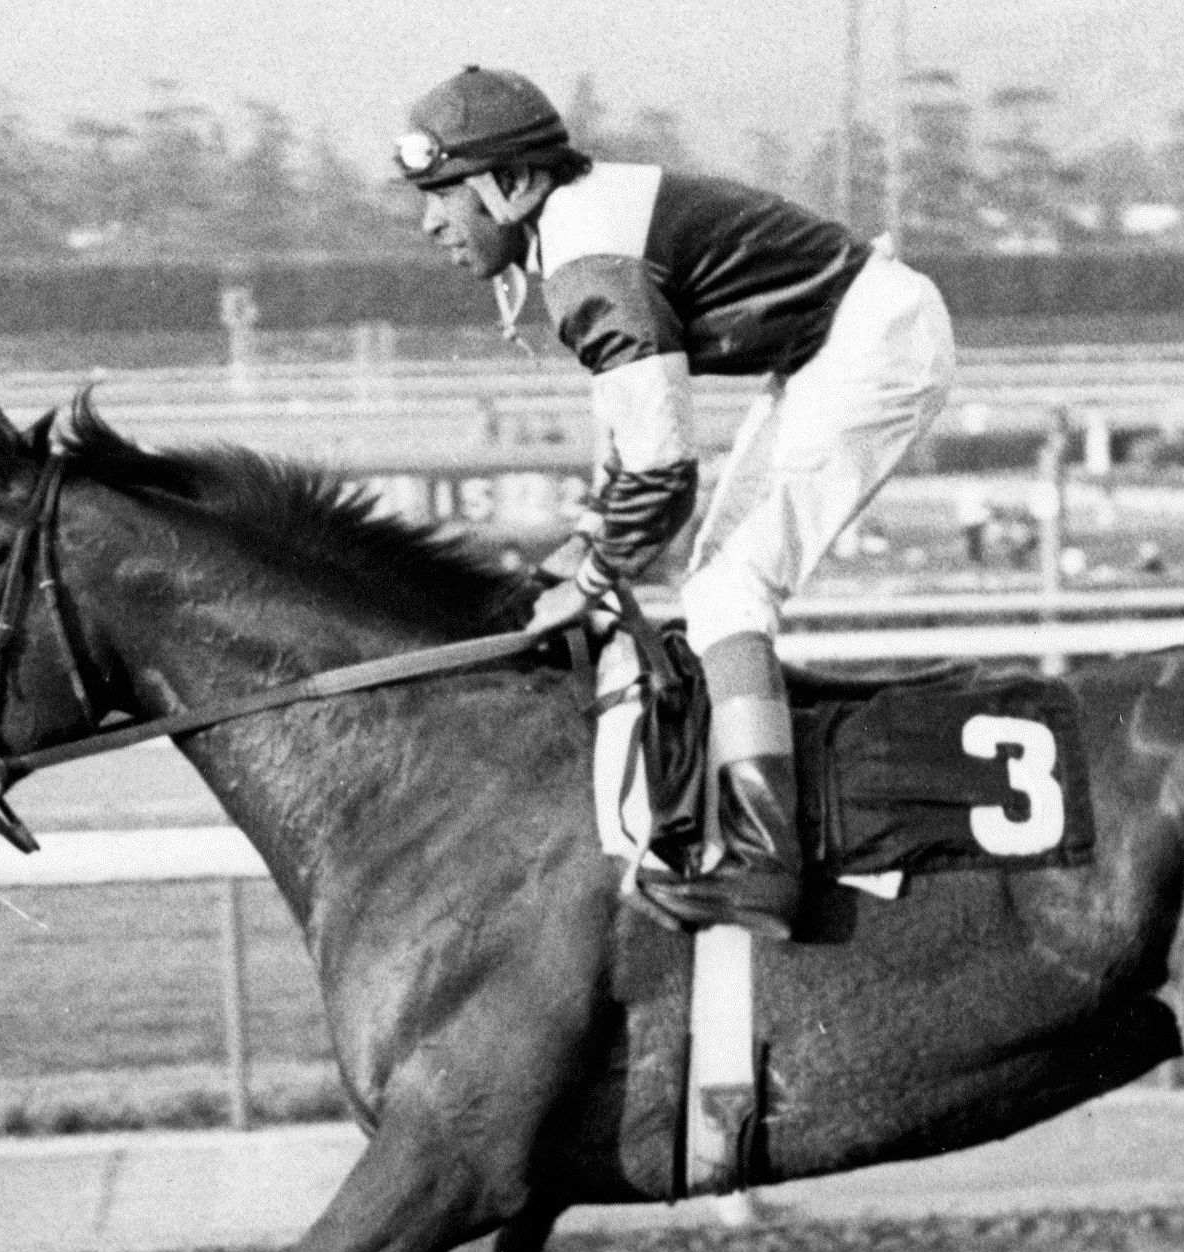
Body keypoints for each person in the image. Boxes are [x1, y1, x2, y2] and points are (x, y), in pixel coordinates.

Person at [395, 66, 955, 939]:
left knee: (728, 590)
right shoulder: (575, 237)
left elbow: (662, 476)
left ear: (512, 186)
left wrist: (587, 581)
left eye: (443, 196)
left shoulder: (588, 267)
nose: (430, 223)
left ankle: (767, 864)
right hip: (835, 345)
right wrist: (580, 551)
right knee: (711, 584)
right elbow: (629, 450)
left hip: (870, 344)